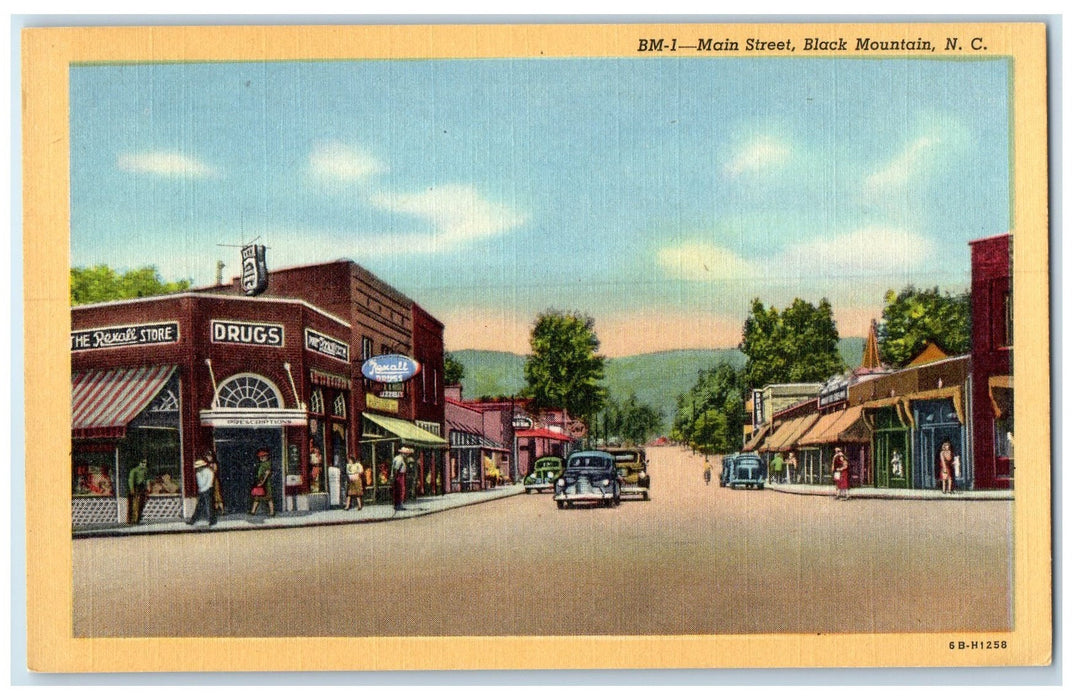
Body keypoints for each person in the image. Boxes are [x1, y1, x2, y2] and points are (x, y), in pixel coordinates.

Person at [187, 459, 217, 527]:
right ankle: (193, 520)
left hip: (208, 490)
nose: (197, 468)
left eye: (198, 467)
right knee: (199, 506)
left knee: (209, 506)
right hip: (202, 491)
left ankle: (212, 520)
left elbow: (209, 483)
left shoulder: (209, 472)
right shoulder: (198, 473)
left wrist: (203, 490)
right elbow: (200, 483)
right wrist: (201, 490)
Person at [249, 448, 275, 516]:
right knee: (257, 498)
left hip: (265, 484)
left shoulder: (266, 464)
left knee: (268, 498)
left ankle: (272, 512)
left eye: (263, 457)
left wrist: (262, 482)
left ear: (266, 457)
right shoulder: (262, 464)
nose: (261, 458)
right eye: (260, 457)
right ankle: (253, 511)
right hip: (261, 483)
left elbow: (267, 474)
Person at [126, 459, 149, 524]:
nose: (144, 464)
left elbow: (146, 479)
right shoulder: (134, 470)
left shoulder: (145, 470)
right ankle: (132, 520)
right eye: (142, 462)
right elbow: (131, 480)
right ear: (139, 463)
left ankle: (137, 519)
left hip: (142, 488)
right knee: (134, 505)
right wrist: (132, 489)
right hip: (135, 488)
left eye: (145, 463)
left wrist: (147, 487)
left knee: (140, 504)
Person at [391, 447, 412, 511]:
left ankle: (398, 504)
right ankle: (398, 505)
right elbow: (396, 469)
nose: (407, 455)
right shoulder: (399, 459)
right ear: (402, 453)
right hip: (399, 476)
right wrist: (395, 477)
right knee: (400, 490)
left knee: (399, 490)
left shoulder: (398, 458)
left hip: (400, 475)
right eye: (406, 454)